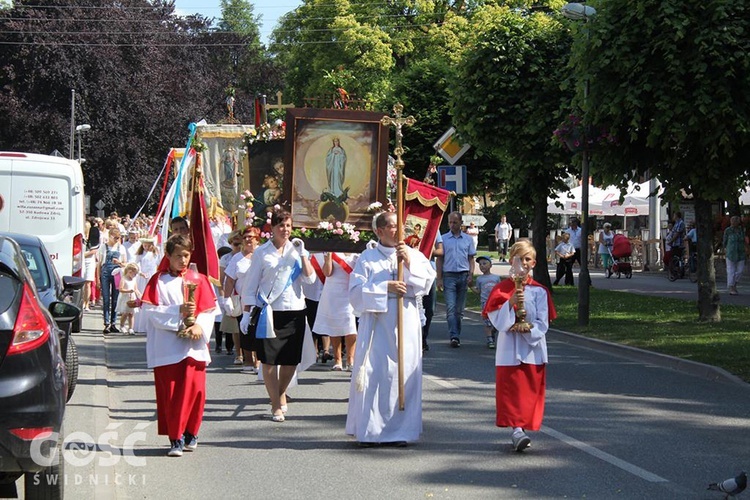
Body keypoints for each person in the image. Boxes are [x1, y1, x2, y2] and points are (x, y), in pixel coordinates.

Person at [346, 211, 435, 446]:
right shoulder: (367, 258)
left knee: (403, 374)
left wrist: (408, 262)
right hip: (377, 325)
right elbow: (355, 294)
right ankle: (371, 432)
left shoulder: (414, 254)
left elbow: (426, 284)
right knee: (377, 374)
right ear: (380, 231)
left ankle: (401, 431)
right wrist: (386, 287)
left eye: (400, 226)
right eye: (393, 226)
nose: (399, 231)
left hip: (406, 321)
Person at [141, 234, 217, 457]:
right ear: (168, 256)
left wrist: (199, 326)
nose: (182, 260)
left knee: (196, 392)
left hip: (194, 347)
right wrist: (178, 313)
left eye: (186, 255)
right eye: (177, 256)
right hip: (168, 348)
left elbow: (210, 310)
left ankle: (192, 432)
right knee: (173, 394)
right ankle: (175, 438)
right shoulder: (158, 281)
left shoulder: (199, 279)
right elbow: (151, 313)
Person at [239, 209, 315, 423]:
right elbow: (250, 285)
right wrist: (246, 313)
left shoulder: (297, 250)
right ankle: (275, 404)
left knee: (290, 360)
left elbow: (310, 281)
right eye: (281, 225)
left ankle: (280, 393)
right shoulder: (262, 253)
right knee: (269, 361)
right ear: (272, 228)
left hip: (295, 311)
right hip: (269, 312)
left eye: (289, 226)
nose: (285, 230)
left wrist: (303, 254)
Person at [482, 240, 556, 452]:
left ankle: (522, 427)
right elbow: (496, 320)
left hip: (532, 349)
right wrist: (511, 303)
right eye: (518, 258)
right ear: (511, 260)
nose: (523, 263)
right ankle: (516, 431)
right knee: (512, 391)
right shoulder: (502, 289)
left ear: (533, 262)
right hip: (509, 349)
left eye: (527, 259)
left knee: (529, 392)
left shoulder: (540, 291)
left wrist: (529, 330)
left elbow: (543, 322)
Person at [222, 226, 261, 373]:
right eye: (245, 237)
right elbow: (230, 280)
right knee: (245, 331)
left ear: (257, 238)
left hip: (260, 300)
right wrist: (226, 299)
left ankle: (259, 361)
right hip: (243, 300)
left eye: (251, 237)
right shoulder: (237, 259)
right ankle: (249, 362)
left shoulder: (262, 254)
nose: (248, 240)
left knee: (258, 330)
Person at [313, 252, 359, 371]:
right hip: (333, 290)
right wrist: (328, 257)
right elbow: (327, 273)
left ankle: (350, 359)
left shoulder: (357, 253)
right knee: (334, 325)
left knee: (350, 325)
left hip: (350, 290)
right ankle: (337, 360)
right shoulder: (333, 251)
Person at [436, 211, 476, 348]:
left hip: (463, 275)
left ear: (460, 223)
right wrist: (439, 278)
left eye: (455, 222)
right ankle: (454, 336)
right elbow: (439, 259)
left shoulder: (467, 239)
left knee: (459, 310)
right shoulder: (444, 239)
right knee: (451, 308)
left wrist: (471, 274)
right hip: (449, 276)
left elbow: (471, 259)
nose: (452, 225)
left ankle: (456, 333)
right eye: (450, 222)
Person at [98, 227, 127, 333]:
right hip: (105, 273)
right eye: (115, 238)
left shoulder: (121, 248)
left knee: (115, 299)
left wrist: (119, 262)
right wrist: (97, 278)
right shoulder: (103, 247)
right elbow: (99, 264)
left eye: (118, 238)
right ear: (109, 236)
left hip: (117, 274)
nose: (117, 240)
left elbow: (125, 264)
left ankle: (113, 323)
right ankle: (106, 323)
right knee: (106, 299)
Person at [422, 233, 443, 352]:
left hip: (428, 273)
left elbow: (440, 251)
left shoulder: (435, 226)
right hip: (409, 271)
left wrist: (426, 249)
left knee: (429, 309)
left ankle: (424, 337)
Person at [473, 256, 500, 349]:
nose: (482, 266)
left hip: (495, 303)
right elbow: (478, 291)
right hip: (485, 303)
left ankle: (493, 331)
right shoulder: (479, 279)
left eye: (484, 263)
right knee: (487, 322)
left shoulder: (496, 278)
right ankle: (490, 339)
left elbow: (499, 290)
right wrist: (470, 286)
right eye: (480, 264)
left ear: (490, 265)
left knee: (497, 322)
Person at [723, 215, 747, 295]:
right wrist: (724, 249)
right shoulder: (728, 230)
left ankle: (734, 283)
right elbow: (725, 241)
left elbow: (744, 240)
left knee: (740, 270)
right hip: (731, 252)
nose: (734, 223)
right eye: (733, 221)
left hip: (741, 252)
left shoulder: (741, 230)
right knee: (731, 271)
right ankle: (731, 287)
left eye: (736, 221)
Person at [116, 262, 140, 335]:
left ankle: (131, 328)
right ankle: (122, 325)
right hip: (125, 298)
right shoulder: (124, 279)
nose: (135, 275)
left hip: (132, 298)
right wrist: (128, 291)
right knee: (125, 313)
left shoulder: (134, 280)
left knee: (131, 313)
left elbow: (136, 289)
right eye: (134, 274)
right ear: (130, 272)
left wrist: (139, 294)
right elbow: (120, 289)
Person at [82, 218, 100, 311]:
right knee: (81, 282)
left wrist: (83, 255)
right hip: (80, 260)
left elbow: (94, 250)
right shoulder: (81, 237)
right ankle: (81, 302)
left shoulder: (93, 237)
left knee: (88, 283)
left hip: (89, 260)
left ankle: (87, 303)